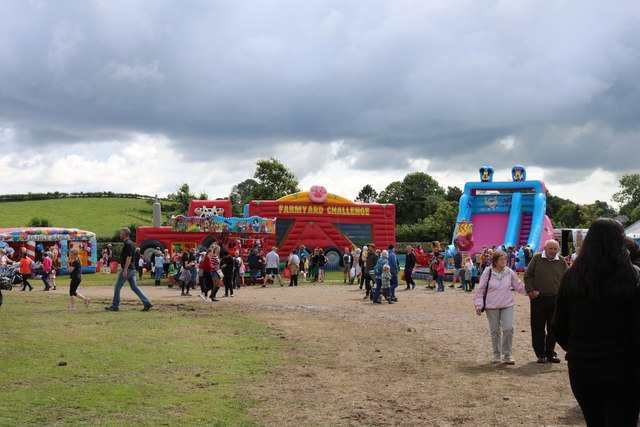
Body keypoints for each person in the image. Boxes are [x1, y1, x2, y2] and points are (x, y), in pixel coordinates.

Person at [551, 218, 640, 426]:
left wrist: (576, 349)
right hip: (623, 368)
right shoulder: (633, 277)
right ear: (620, 242)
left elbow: (558, 325)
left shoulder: (571, 276)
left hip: (582, 367)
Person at [474, 250, 527, 364]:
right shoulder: (487, 272)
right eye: (501, 260)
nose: (504, 261)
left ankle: (507, 354)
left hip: (507, 304)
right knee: (495, 331)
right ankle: (496, 354)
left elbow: (518, 286)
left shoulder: (510, 272)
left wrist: (530, 291)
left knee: (508, 328)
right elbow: (481, 289)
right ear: (495, 261)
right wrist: (479, 304)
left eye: (505, 259)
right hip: (491, 306)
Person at [523, 240, 567, 363]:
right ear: (545, 248)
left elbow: (567, 277)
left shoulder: (562, 261)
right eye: (551, 248)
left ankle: (550, 353)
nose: (553, 251)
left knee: (553, 327)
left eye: (555, 249)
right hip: (539, 298)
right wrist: (530, 290)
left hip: (556, 299)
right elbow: (527, 275)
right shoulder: (537, 258)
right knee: (538, 326)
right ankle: (540, 354)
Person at [105, 227, 153, 312]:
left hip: (128, 269)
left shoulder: (127, 244)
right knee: (134, 287)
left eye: (120, 233)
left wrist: (125, 270)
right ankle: (147, 302)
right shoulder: (130, 243)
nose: (119, 234)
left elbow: (129, 257)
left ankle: (115, 306)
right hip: (132, 269)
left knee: (117, 287)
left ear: (124, 234)